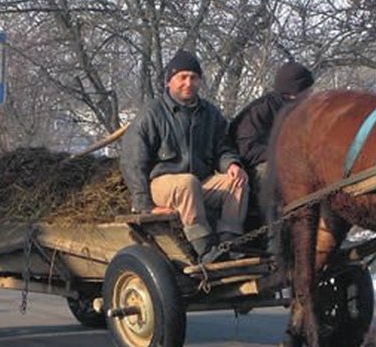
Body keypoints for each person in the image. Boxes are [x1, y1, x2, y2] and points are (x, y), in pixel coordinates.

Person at [120, 49, 249, 263]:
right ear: (169, 81)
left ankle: (229, 243)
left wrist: (231, 165)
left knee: (237, 181)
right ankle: (205, 249)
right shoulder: (152, 114)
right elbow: (133, 161)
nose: (188, 83)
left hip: (199, 183)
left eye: (194, 77)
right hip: (162, 184)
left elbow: (223, 148)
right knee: (187, 183)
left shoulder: (210, 113)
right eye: (182, 77)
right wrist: (145, 205)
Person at [227, 61, 314, 213]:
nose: (311, 93)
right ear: (296, 90)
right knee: (271, 174)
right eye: (307, 89)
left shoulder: (302, 110)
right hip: (252, 167)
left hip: (290, 161)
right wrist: (284, 156)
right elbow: (247, 149)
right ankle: (270, 225)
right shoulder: (260, 110)